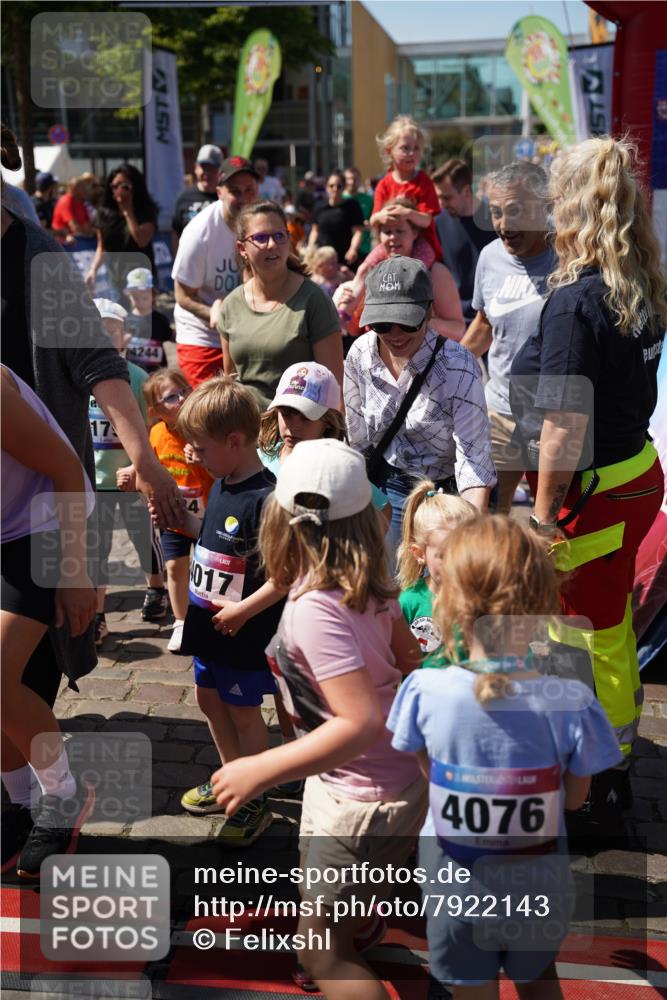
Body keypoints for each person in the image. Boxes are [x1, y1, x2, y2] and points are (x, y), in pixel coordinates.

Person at [211, 438, 427, 997]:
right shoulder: (372, 587)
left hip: (357, 795)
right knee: (341, 878)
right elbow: (410, 661)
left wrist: (260, 769)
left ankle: (337, 943)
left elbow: (358, 724)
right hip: (387, 782)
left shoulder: (315, 610)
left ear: (279, 523)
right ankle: (356, 921)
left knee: (320, 952)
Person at [388, 515, 623, 998]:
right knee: (539, 982)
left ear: (446, 600)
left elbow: (429, 773)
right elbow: (574, 800)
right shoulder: (572, 699)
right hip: (537, 887)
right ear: (544, 601)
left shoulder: (423, 690)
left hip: (456, 887)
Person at [510, 136, 667, 807]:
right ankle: (610, 748)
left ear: (573, 205)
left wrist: (542, 518)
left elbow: (562, 425)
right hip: (635, 473)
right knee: (610, 619)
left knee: (581, 628)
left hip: (593, 492)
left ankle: (598, 764)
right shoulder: (640, 281)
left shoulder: (576, 301)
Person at [159, 377, 285, 845]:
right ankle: (231, 778)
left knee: (244, 713)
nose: (194, 455)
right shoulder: (222, 481)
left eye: (200, 447)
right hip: (206, 622)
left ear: (234, 441)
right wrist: (181, 521)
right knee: (209, 701)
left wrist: (243, 613)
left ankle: (254, 797)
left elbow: (284, 576)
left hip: (240, 631)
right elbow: (212, 537)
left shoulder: (267, 499)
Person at [1, 364, 97, 876]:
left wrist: (76, 572)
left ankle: (62, 796)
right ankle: (19, 802)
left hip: (43, 526)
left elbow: (66, 470)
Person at [344, 256, 495, 549]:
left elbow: (474, 460)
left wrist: (469, 537)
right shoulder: (359, 355)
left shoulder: (458, 366)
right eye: (382, 324)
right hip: (386, 490)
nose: (395, 335)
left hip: (445, 495)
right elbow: (357, 441)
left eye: (406, 322)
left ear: (429, 312)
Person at [461, 161, 555, 513]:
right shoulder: (489, 257)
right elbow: (485, 325)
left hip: (554, 419)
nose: (503, 225)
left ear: (544, 207)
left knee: (550, 524)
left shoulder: (571, 260)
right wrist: (442, 370)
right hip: (499, 412)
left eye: (514, 211)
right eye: (496, 213)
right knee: (487, 519)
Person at [89, 298, 166, 646]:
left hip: (132, 481)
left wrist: (139, 467)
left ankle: (156, 588)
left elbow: (152, 430)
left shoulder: (136, 378)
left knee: (144, 537)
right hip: (95, 481)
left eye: (113, 330)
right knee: (96, 549)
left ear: (125, 335)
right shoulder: (78, 379)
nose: (106, 337)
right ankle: (97, 615)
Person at [218, 200, 344, 411]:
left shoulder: (313, 300)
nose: (272, 244)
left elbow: (333, 387)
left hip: (298, 426)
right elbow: (231, 382)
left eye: (279, 236)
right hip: (246, 427)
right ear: (242, 248)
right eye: (261, 238)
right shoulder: (231, 305)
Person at [171, 156, 259, 387]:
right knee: (208, 405)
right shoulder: (199, 232)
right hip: (203, 337)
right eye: (235, 191)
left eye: (249, 190)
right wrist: (214, 312)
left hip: (247, 330)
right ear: (219, 192)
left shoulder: (263, 225)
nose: (244, 198)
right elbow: (182, 295)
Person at [144, 369, 213, 654]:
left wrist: (202, 460)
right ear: (156, 411)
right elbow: (147, 469)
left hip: (207, 514)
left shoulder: (204, 429)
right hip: (173, 516)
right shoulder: (156, 434)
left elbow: (222, 471)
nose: (182, 398)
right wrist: (133, 475)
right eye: (171, 397)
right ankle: (181, 621)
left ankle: (211, 618)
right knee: (174, 567)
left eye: (185, 390)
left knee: (208, 567)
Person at [336, 197, 465, 343]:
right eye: (387, 231)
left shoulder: (435, 272)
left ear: (414, 233)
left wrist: (414, 321)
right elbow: (356, 330)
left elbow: (458, 329)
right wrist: (347, 314)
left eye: (400, 231)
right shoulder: (370, 270)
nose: (393, 237)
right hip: (376, 354)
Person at [396, 483, 477, 667]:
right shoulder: (408, 602)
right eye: (446, 554)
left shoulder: (482, 598)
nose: (458, 563)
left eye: (467, 551)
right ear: (420, 554)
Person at [431, 158, 496, 326]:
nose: (441, 204)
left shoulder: (497, 222)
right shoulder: (438, 222)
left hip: (490, 320)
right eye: (438, 197)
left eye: (447, 197)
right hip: (453, 320)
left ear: (466, 191)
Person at [372, 114, 442, 264]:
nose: (411, 153)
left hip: (421, 243)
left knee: (414, 271)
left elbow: (426, 220)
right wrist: (381, 216)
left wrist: (407, 213)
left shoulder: (424, 182)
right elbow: (374, 219)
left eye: (416, 148)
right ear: (389, 151)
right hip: (391, 244)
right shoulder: (384, 184)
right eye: (405, 148)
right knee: (367, 265)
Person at [86, 163, 158, 301]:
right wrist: (93, 270)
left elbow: (141, 240)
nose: (119, 191)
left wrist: (128, 211)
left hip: (141, 278)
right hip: (116, 279)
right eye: (114, 186)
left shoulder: (146, 212)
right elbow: (102, 247)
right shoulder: (105, 214)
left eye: (124, 186)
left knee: (140, 314)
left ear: (135, 187)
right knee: (117, 314)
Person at [170, 144, 223, 255]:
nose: (207, 173)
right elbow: (176, 233)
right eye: (203, 168)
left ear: (221, 171)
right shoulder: (184, 198)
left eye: (212, 169)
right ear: (196, 168)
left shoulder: (227, 198)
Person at [308, 171, 365, 267]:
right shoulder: (319, 206)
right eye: (331, 186)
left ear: (344, 187)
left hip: (345, 258)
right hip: (323, 259)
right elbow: (315, 231)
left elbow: (358, 232)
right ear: (326, 187)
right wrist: (311, 248)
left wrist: (353, 249)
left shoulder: (352, 206)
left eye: (339, 186)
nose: (335, 189)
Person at [123, 267, 173, 372]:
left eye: (145, 298)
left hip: (157, 372)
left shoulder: (160, 319)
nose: (140, 301)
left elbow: (171, 336)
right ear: (129, 295)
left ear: (153, 295)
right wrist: (123, 341)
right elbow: (119, 345)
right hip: (135, 373)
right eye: (136, 298)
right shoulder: (126, 320)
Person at [52, 175, 95, 245]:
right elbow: (74, 228)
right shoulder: (66, 201)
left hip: (80, 239)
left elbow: (87, 224)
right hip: (66, 243)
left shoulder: (80, 202)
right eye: (83, 187)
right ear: (74, 188)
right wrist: (96, 232)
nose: (86, 190)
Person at [343, 166, 373, 260]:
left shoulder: (368, 200)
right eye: (349, 179)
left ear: (359, 180)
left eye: (355, 179)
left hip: (364, 248)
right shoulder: (340, 199)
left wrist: (367, 224)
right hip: (343, 246)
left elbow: (374, 222)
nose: (352, 182)